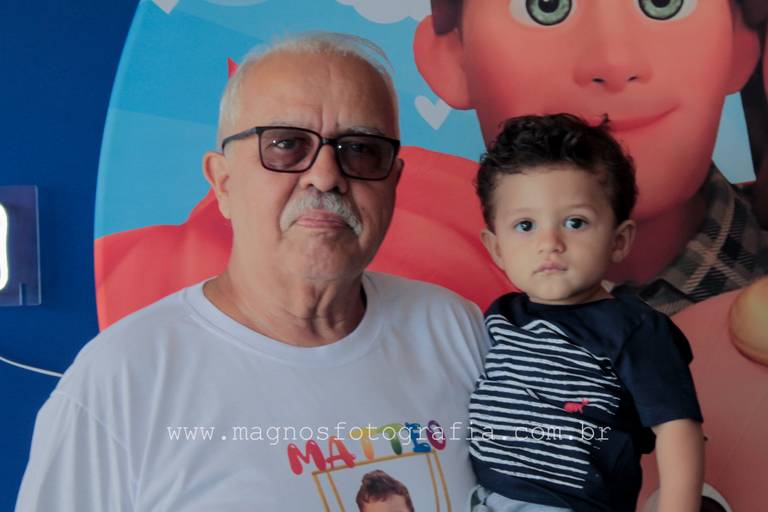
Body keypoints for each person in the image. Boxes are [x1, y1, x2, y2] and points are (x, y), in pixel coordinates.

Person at [16, 33, 488, 510]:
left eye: (361, 149)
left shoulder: (456, 330)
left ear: (393, 182)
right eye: (285, 144)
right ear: (222, 182)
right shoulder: (121, 381)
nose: (326, 176)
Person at [416, 0, 767, 316]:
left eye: (662, 3)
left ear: (740, 44)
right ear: (453, 60)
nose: (615, 63)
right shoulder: (445, 316)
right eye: (546, 6)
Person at [468, 114, 704, 512]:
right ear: (496, 249)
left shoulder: (634, 330)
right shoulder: (500, 318)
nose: (549, 243)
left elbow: (677, 429)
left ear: (619, 240)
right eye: (525, 225)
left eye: (575, 222)